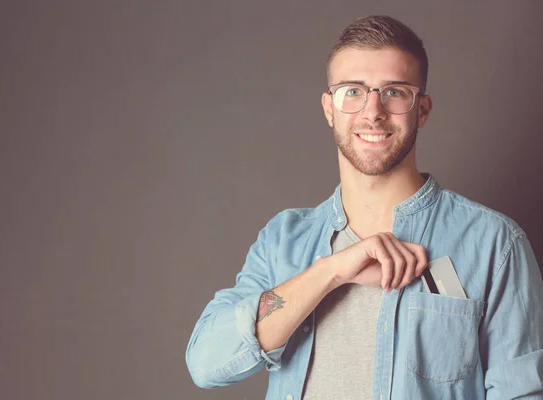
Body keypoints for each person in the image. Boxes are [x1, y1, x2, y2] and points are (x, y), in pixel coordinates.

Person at [185, 15, 543, 400]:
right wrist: (331, 272)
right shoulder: (282, 241)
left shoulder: (494, 244)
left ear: (422, 109)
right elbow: (207, 363)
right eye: (352, 91)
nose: (373, 111)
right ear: (329, 108)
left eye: (394, 91)